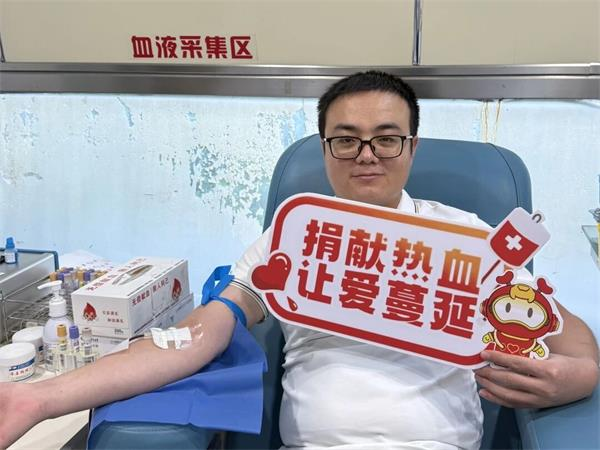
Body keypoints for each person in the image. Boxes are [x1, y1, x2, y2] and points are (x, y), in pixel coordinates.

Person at [0, 71, 598, 449]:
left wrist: (578, 376)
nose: (367, 155)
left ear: (411, 147)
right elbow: (200, 334)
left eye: (387, 137)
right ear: (325, 148)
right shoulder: (292, 241)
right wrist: (42, 398)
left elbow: (567, 336)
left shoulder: (468, 240)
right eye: (347, 138)